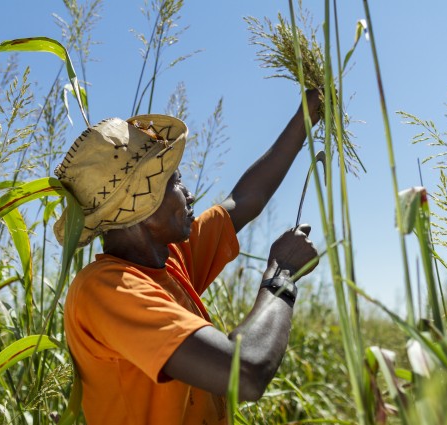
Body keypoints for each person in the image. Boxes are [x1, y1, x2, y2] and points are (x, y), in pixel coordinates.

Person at [53, 89, 322, 424]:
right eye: (175, 183)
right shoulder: (108, 290)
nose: (190, 194)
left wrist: (304, 121)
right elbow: (246, 372)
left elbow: (243, 200)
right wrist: (282, 276)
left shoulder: (167, 260)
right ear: (142, 206)